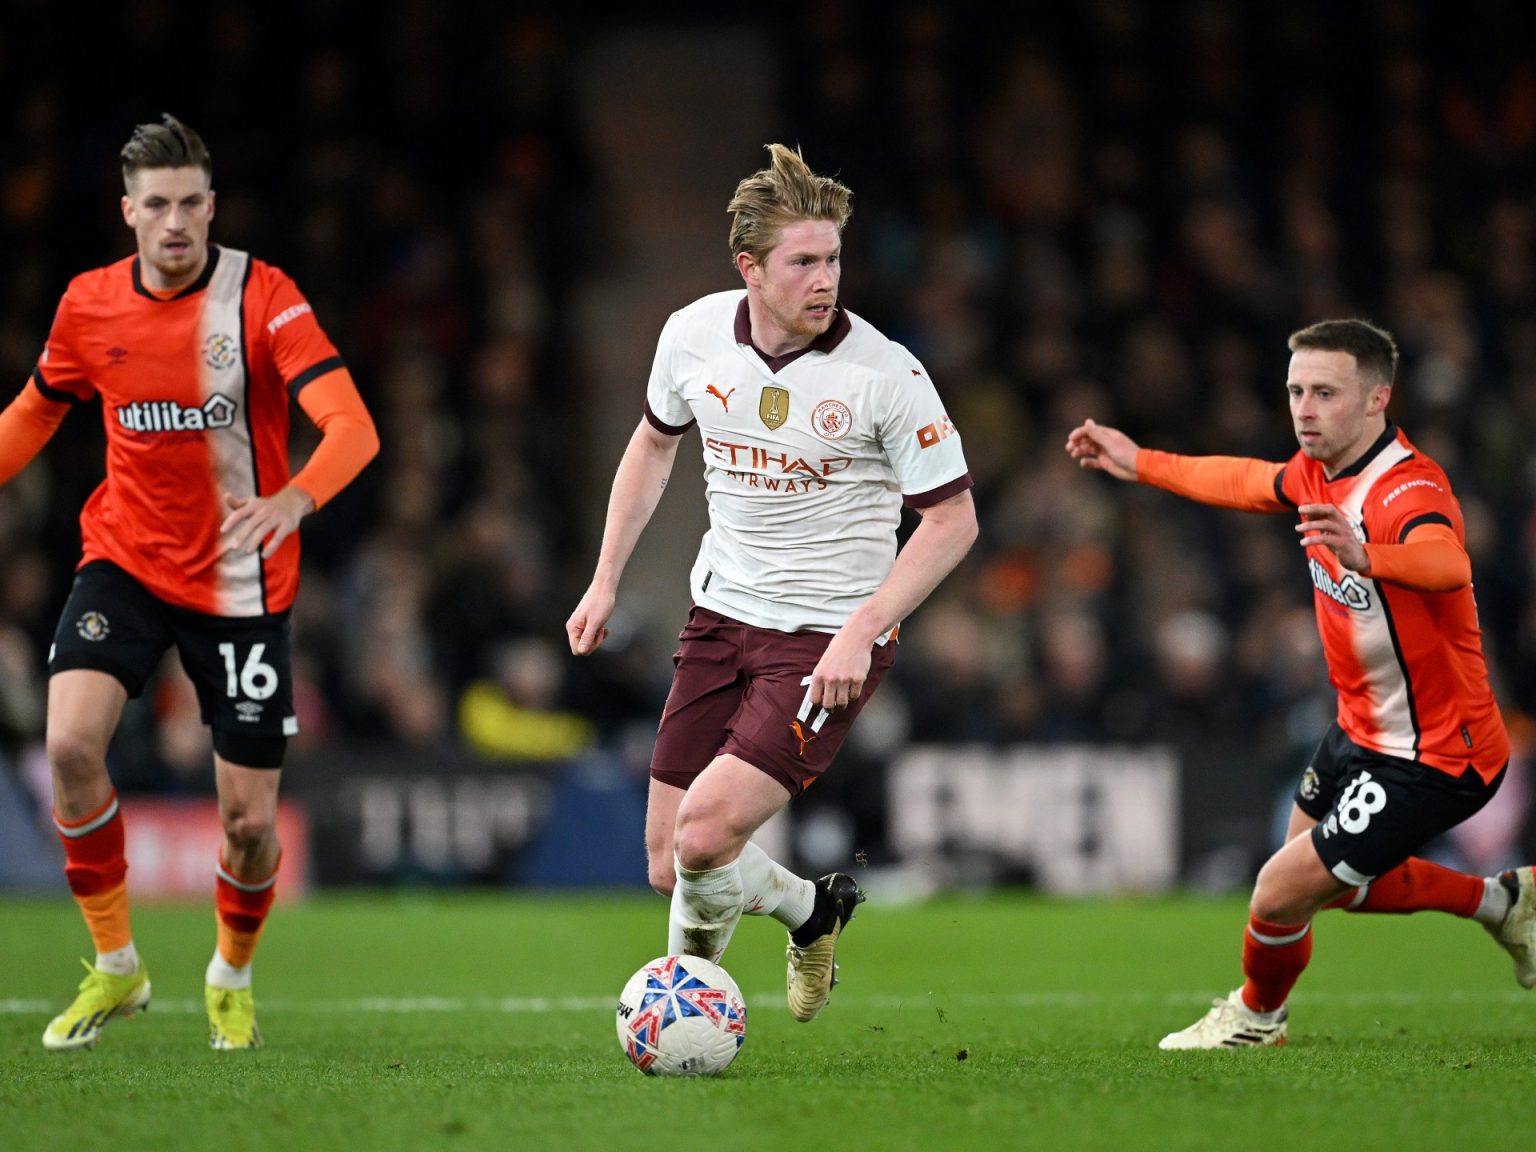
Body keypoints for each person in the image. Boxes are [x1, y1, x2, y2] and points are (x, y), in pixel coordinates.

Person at [566, 143, 976, 1021]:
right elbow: (651, 445)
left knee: (707, 832)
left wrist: (864, 630)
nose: (826, 279)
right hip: (720, 615)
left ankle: (684, 1015)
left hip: (825, 638)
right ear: (748, 266)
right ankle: (812, 909)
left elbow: (953, 521)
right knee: (670, 862)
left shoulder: (886, 374)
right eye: (804, 261)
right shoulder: (692, 336)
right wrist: (604, 580)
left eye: (833, 258)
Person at [5, 114, 380, 1052]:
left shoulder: (262, 296)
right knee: (69, 746)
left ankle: (230, 974)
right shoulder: (88, 305)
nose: (175, 221)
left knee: (249, 824)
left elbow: (354, 429)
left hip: (242, 582)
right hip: (125, 559)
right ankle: (117, 969)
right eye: (156, 205)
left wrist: (295, 496)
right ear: (128, 211)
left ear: (212, 207)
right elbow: (32, 415)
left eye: (190, 203)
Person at [1066, 317, 1535, 1049]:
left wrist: (1369, 556)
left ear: (1379, 399)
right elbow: (1249, 481)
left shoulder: (1407, 490)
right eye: (1295, 391)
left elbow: (1449, 563)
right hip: (1361, 730)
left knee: (1281, 890)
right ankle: (1503, 901)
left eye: (1325, 392)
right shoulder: (1319, 471)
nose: (1305, 408)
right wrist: (1141, 462)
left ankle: (1256, 1018)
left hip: (1439, 752)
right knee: (1324, 883)